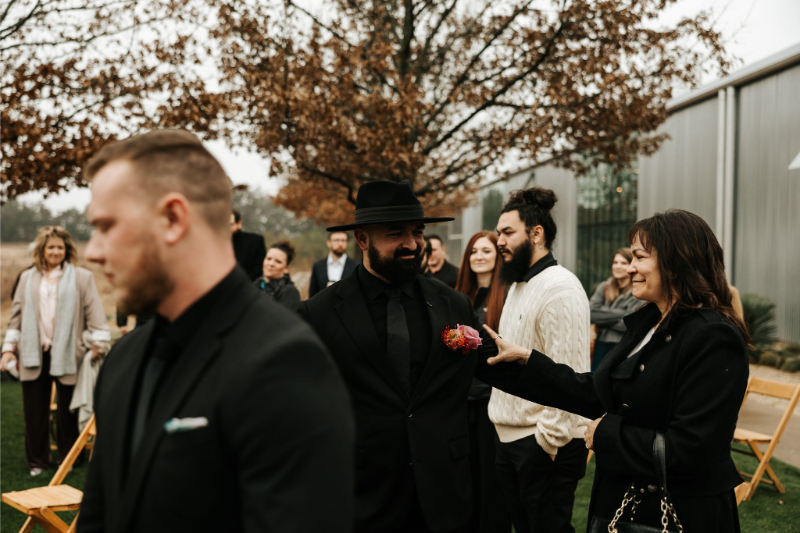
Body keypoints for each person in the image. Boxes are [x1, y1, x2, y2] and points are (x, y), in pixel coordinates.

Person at [77, 130, 354, 533]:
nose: (93, 251)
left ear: (173, 218)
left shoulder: (285, 365)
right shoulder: (123, 359)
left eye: (107, 226)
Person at [485, 209, 750, 532]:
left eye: (639, 257)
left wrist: (607, 434)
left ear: (676, 259)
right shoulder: (649, 324)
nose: (630, 267)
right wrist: (528, 359)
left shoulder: (712, 335)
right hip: (626, 502)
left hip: (679, 513)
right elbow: (598, 392)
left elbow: (693, 449)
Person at [299, 180, 531, 533]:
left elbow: (501, 369)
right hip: (363, 498)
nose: (412, 243)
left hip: (444, 498)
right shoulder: (320, 314)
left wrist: (593, 395)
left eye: (417, 231)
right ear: (362, 239)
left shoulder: (452, 304)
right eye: (396, 233)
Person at [487, 188, 591, 533]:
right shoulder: (519, 284)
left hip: (544, 443)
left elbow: (570, 373)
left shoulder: (560, 287)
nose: (499, 240)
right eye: (498, 232)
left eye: (507, 232)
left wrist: (547, 440)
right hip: (510, 440)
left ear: (536, 233)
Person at [0, 226, 110, 476]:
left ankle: (69, 460)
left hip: (70, 353)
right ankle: (37, 462)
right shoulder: (27, 278)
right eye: (51, 247)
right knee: (34, 412)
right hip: (33, 353)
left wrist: (99, 344)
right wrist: (8, 350)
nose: (56, 251)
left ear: (67, 250)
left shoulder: (82, 277)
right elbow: (16, 316)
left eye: (60, 247)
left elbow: (95, 314)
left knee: (67, 412)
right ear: (42, 249)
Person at [454, 231, 511, 533]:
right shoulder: (459, 296)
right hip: (463, 401)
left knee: (492, 481)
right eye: (473, 251)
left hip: (495, 400)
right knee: (466, 476)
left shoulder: (509, 296)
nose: (478, 256)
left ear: (497, 256)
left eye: (486, 251)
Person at [589, 248, 642, 371]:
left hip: (624, 346)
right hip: (601, 345)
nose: (618, 266)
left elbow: (629, 323)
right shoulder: (604, 287)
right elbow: (591, 313)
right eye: (615, 262)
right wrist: (622, 313)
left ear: (631, 266)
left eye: (623, 263)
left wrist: (602, 319)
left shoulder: (637, 290)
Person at [308, 231, 359, 297]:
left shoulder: (356, 266)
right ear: (328, 243)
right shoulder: (318, 266)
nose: (340, 244)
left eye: (343, 240)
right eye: (336, 240)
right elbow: (312, 296)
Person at [254, 241, 302, 310]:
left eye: (278, 261)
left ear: (286, 268)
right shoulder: (256, 285)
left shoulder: (289, 292)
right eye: (268, 259)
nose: (271, 264)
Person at [230, 209, 267, 281]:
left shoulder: (255, 241)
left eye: (230, 224)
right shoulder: (214, 244)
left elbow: (259, 269)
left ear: (239, 224)